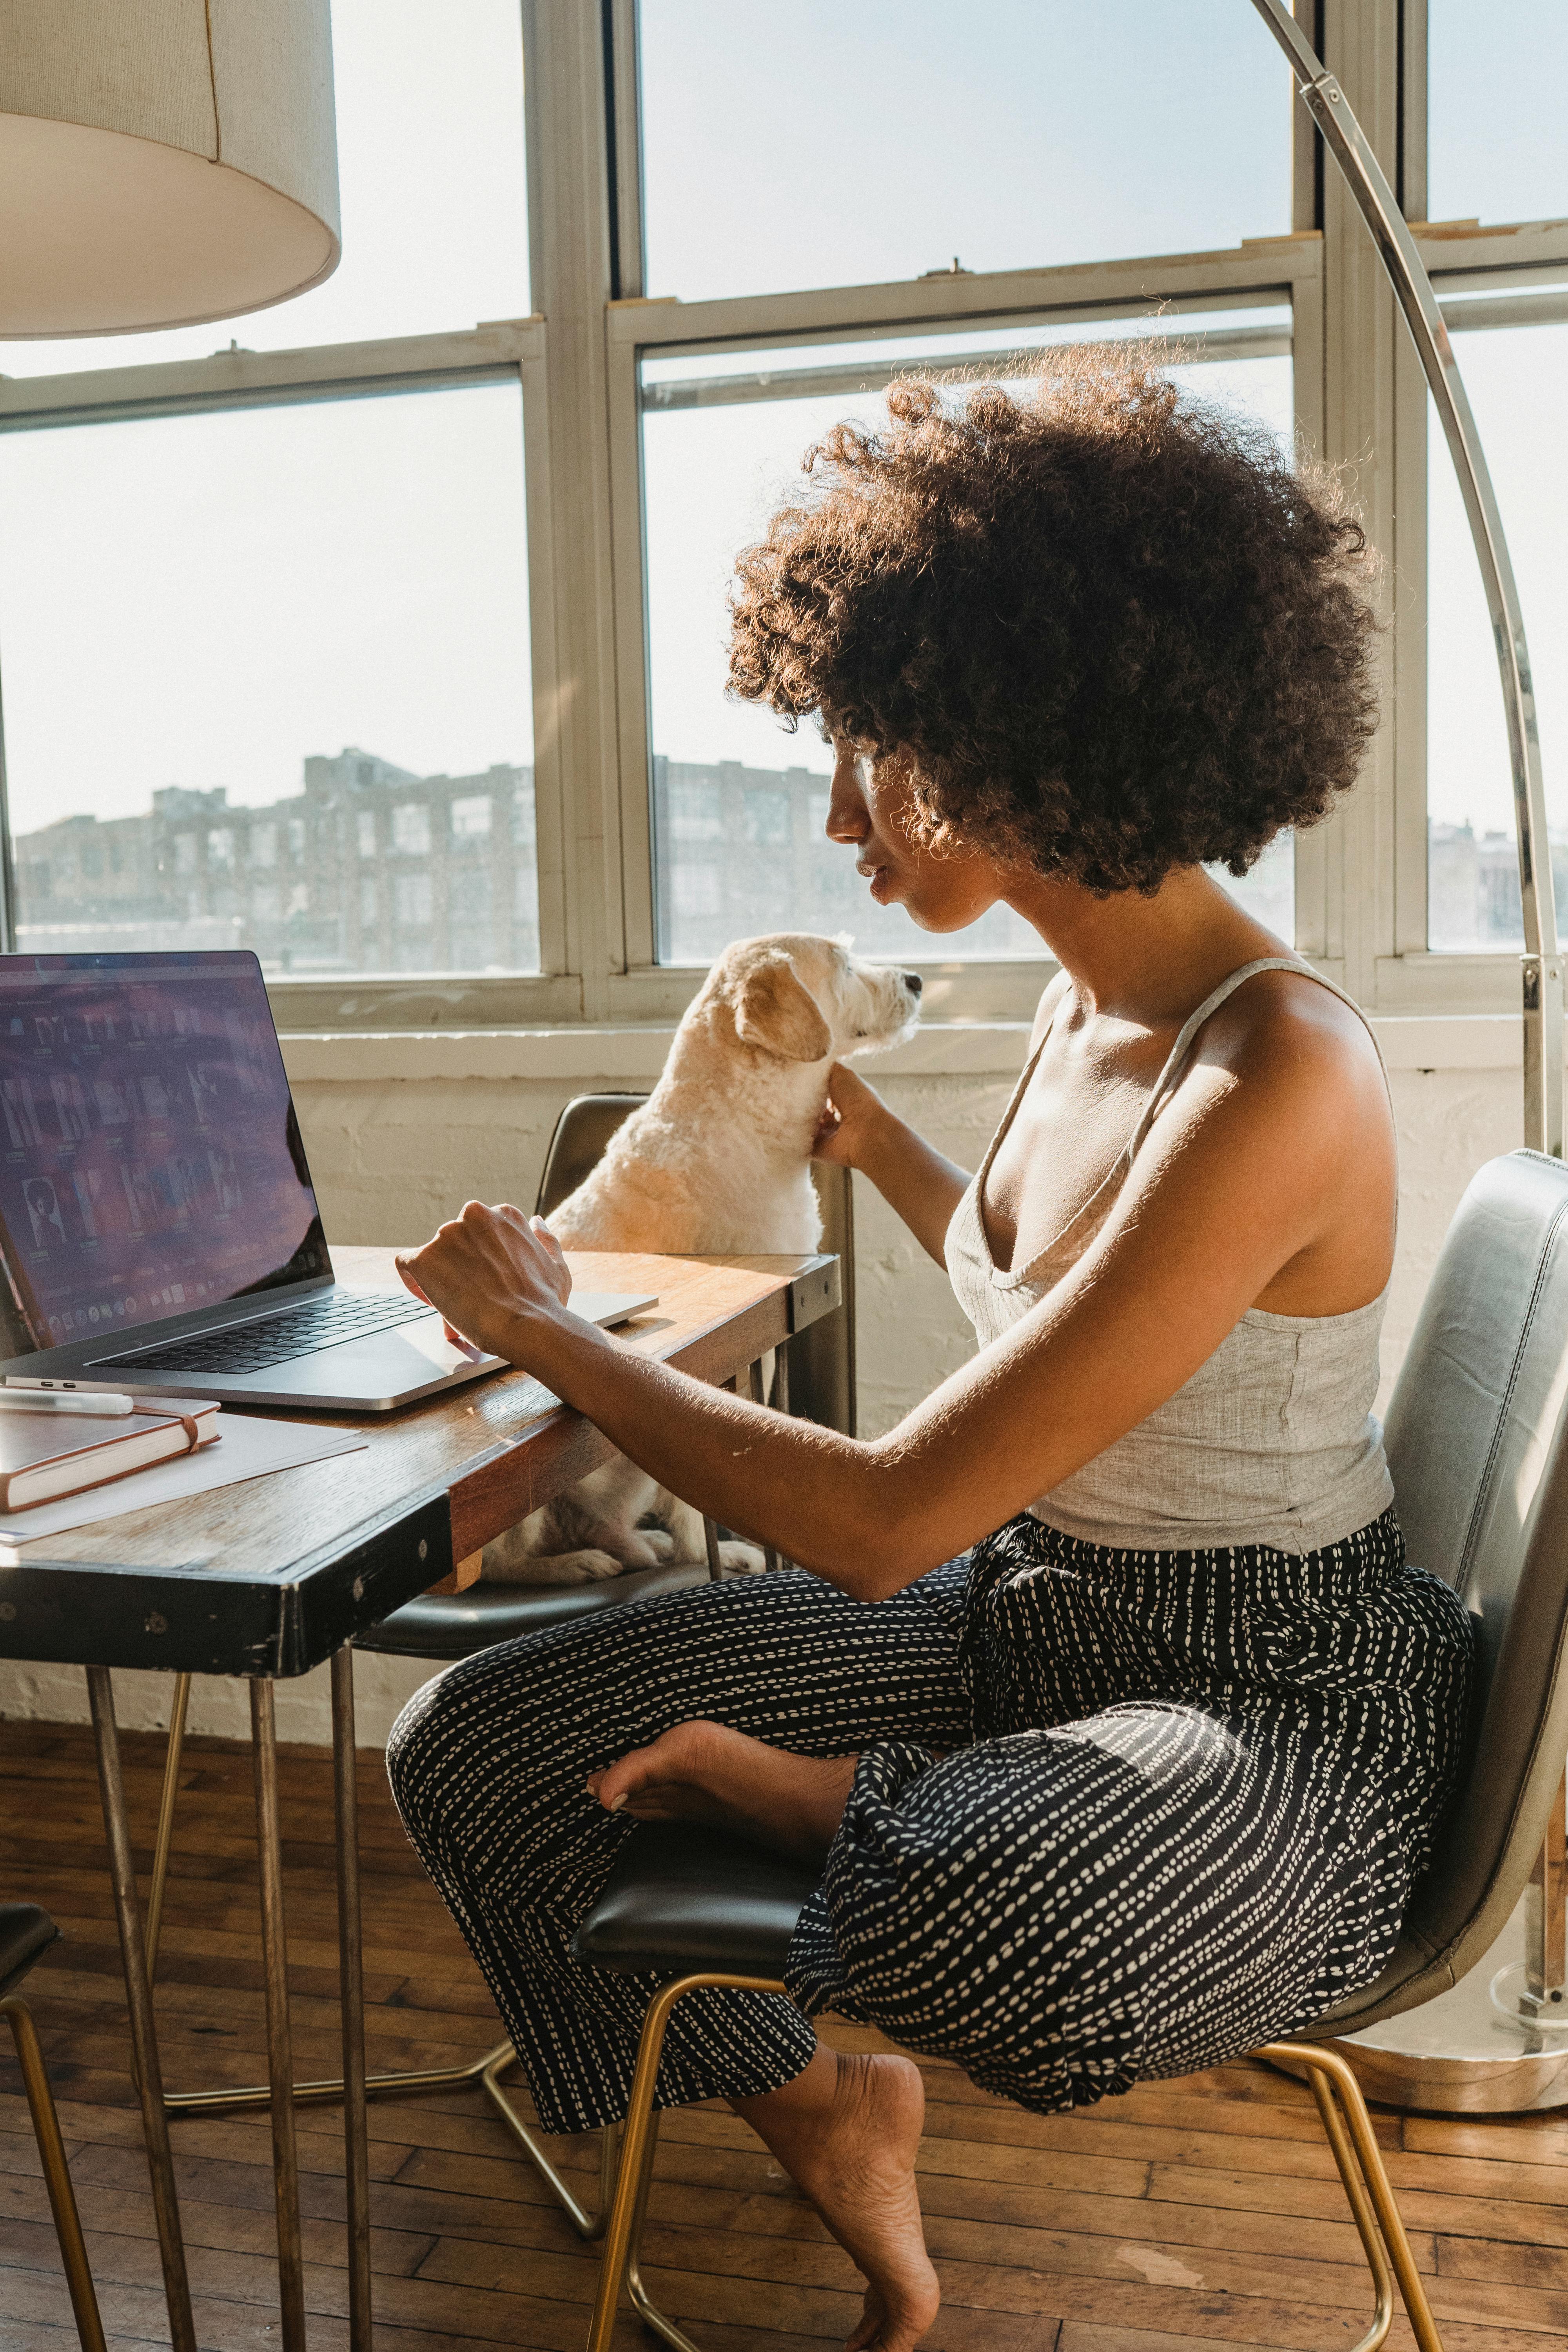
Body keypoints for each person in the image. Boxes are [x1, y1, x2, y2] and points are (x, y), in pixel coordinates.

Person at [385, 352, 1472, 2352]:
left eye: (869, 753)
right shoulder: (1083, 1013)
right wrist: (883, 1147)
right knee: (477, 1747)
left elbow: (885, 1521)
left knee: (1021, 1914)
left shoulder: (1279, 1066)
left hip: (1264, 1690)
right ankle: (828, 2106)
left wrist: (545, 1328)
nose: (837, 816)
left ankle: (822, 1801)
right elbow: (1053, 1296)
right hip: (1029, 1623)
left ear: (1021, 733)